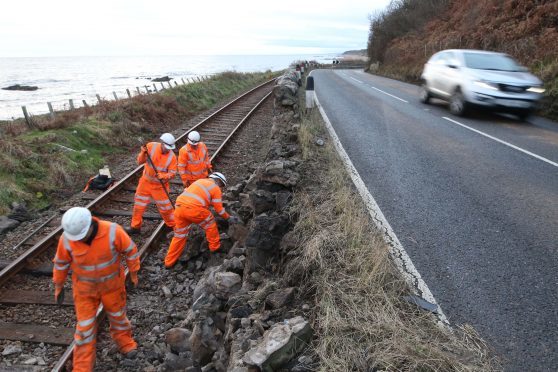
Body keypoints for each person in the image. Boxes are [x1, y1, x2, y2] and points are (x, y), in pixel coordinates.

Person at [52, 207, 140, 372]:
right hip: (84, 291)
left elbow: (131, 251)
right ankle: (82, 367)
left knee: (118, 318)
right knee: (84, 328)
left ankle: (125, 343)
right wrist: (58, 284)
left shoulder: (113, 231)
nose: (79, 239)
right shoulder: (67, 238)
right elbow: (61, 263)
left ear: (90, 225)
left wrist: (134, 273)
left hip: (112, 287)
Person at [163, 172, 240, 268]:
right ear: (218, 181)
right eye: (221, 185)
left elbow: (198, 197)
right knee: (210, 222)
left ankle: (168, 262)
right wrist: (228, 217)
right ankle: (215, 247)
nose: (221, 187)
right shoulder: (215, 188)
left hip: (179, 208)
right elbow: (219, 210)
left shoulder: (199, 181)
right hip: (193, 209)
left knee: (179, 236)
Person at [127, 133, 177, 234]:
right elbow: (140, 162)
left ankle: (173, 226)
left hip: (159, 186)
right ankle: (135, 227)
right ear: (162, 143)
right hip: (145, 183)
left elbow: (172, 173)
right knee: (138, 205)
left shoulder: (172, 157)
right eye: (166, 147)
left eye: (169, 148)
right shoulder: (150, 146)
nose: (167, 150)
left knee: (166, 208)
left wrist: (164, 176)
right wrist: (143, 153)